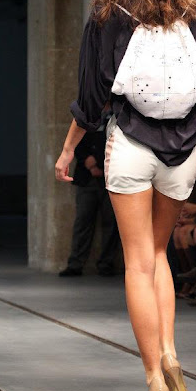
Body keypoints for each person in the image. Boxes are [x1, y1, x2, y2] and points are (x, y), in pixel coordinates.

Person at [55, 0, 196, 391]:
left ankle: (154, 378)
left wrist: (67, 151)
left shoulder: (108, 16)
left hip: (131, 145)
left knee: (136, 262)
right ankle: (170, 352)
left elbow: (91, 99)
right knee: (158, 253)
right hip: (186, 149)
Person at [59, 111, 120, 277]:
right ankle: (76, 263)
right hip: (86, 178)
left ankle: (106, 263)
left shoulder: (117, 114)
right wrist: (88, 161)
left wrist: (100, 162)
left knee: (111, 222)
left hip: (109, 177)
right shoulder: (87, 113)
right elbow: (75, 140)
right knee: (83, 221)